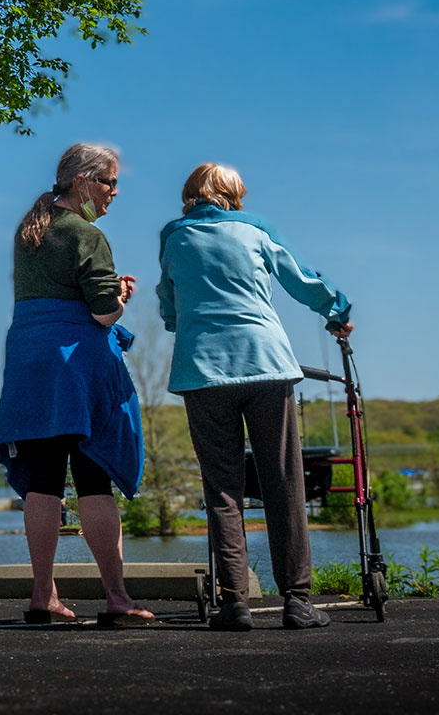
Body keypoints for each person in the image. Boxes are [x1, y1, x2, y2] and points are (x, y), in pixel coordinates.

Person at [157, 162, 353, 632]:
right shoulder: (254, 229)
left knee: (222, 490)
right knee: (284, 481)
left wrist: (180, 324)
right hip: (264, 364)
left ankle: (235, 603)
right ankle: (298, 602)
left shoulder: (173, 236)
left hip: (202, 371)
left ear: (191, 194)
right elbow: (299, 278)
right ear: (233, 194)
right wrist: (337, 310)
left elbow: (169, 298)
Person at [0, 142, 152, 626]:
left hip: (29, 362)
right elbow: (103, 313)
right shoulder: (87, 235)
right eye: (110, 182)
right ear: (83, 181)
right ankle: (117, 599)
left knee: (42, 482)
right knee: (93, 479)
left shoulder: (30, 229)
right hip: (76, 367)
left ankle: (44, 596)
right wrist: (120, 296)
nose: (115, 192)